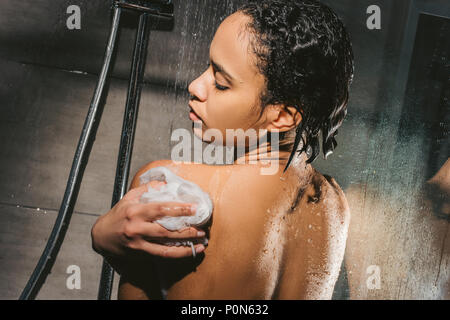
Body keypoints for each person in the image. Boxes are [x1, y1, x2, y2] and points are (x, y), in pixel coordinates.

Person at [92, 0, 355, 299]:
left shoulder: (172, 186)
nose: (195, 86)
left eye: (220, 82)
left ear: (282, 116)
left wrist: (101, 238)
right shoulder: (334, 205)